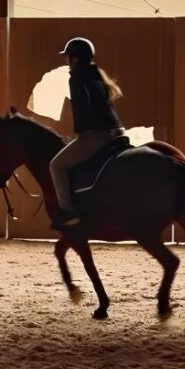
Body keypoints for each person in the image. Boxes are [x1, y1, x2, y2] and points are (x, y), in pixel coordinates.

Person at [50, 37, 125, 231]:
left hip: (98, 134)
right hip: (117, 130)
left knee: (56, 165)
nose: (66, 60)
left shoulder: (76, 76)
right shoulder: (97, 73)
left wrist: (81, 131)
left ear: (74, 58)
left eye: (67, 56)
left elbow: (84, 107)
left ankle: (68, 212)